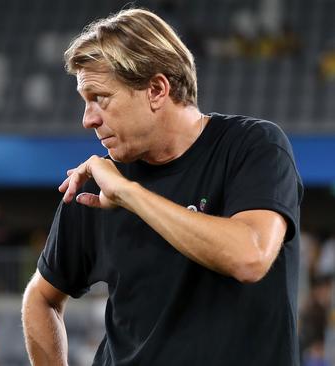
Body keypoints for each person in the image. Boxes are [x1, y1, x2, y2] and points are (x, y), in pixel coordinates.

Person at [21, 8, 303, 366]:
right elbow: (41, 298)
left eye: (100, 98)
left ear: (156, 89)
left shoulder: (253, 146)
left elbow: (249, 256)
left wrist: (129, 194)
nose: (88, 119)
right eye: (85, 101)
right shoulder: (95, 185)